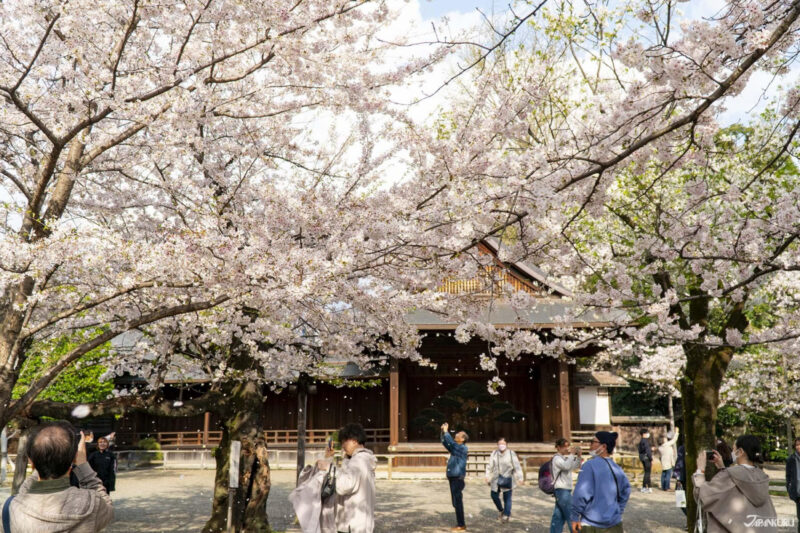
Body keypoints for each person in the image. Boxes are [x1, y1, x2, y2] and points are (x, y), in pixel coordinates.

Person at [4, 421, 114, 532]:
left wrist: (40, 461)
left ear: (30, 461)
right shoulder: (92, 505)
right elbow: (108, 506)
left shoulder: (9, 511)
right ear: (73, 459)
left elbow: (22, 494)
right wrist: (82, 465)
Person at [694, 434, 778, 533]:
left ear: (740, 452)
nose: (732, 453)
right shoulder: (760, 476)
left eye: (733, 449)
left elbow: (702, 496)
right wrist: (722, 468)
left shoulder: (729, 475)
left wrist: (700, 470)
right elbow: (738, 483)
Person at [316, 423, 376, 533]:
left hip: (353, 523)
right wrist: (330, 459)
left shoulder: (358, 460)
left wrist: (329, 467)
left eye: (344, 442)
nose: (343, 446)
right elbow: (345, 474)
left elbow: (345, 485)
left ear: (354, 440)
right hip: (360, 522)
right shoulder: (362, 459)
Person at [570, 431, 630, 533]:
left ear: (603, 446)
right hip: (615, 523)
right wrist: (618, 511)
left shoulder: (589, 466)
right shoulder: (617, 468)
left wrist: (574, 516)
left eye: (592, 442)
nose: (590, 445)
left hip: (591, 524)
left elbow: (581, 494)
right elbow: (626, 491)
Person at [484, 437, 523, 522]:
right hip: (496, 478)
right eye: (500, 444)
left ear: (506, 444)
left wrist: (520, 477)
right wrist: (487, 475)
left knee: (507, 497)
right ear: (497, 445)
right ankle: (501, 510)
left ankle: (506, 514)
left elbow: (517, 466)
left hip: (507, 477)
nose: (501, 445)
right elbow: (489, 465)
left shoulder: (511, 453)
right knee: (494, 495)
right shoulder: (494, 453)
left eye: (503, 444)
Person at [550, 438, 582, 533]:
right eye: (564, 446)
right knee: (571, 515)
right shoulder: (556, 458)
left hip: (564, 490)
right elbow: (566, 466)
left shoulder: (564, 458)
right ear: (558, 447)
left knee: (558, 517)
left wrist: (578, 456)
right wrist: (572, 454)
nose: (567, 448)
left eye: (568, 446)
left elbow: (575, 466)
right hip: (562, 490)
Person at [441, 422, 468, 531]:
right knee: (455, 502)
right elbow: (446, 443)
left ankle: (461, 524)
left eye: (459, 434)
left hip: (458, 477)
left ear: (462, 439)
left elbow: (451, 443)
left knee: (458, 501)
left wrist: (446, 432)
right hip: (452, 476)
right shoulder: (455, 448)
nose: (456, 434)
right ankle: (460, 521)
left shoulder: (462, 448)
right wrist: (442, 432)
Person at [786, 437, 800, 532]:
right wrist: (789, 489)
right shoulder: (791, 459)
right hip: (798, 494)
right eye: (797, 445)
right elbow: (788, 476)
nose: (798, 447)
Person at [637, 428, 653, 493]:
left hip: (642, 458)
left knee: (646, 473)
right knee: (647, 473)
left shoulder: (641, 441)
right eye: (647, 433)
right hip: (647, 458)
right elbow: (647, 451)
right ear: (643, 434)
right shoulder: (645, 441)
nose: (648, 434)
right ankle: (645, 487)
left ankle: (648, 487)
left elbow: (641, 450)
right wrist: (651, 458)